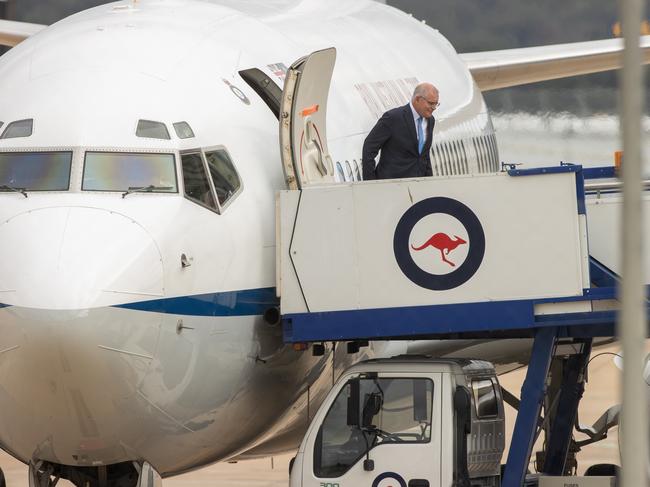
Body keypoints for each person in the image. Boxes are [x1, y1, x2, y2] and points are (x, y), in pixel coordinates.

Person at [362, 83, 439, 180]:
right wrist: (370, 184)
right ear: (417, 99)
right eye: (431, 103)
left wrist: (429, 182)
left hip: (419, 186)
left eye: (436, 104)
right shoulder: (393, 118)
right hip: (392, 185)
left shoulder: (430, 120)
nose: (434, 108)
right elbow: (369, 147)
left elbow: (424, 156)